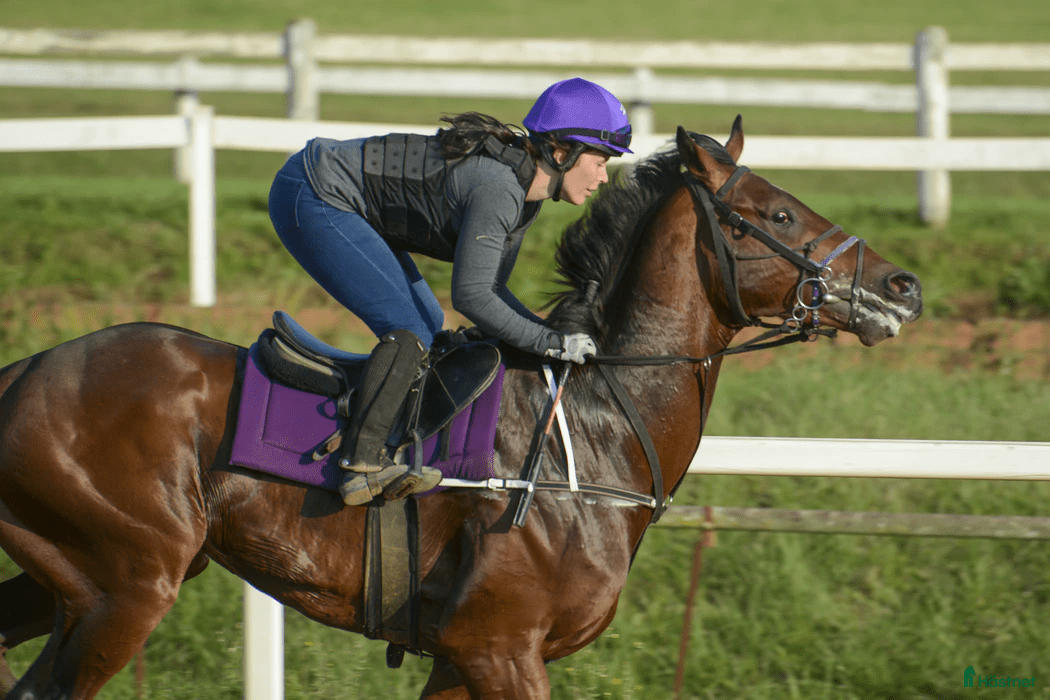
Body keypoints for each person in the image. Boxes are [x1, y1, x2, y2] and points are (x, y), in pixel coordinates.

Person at [268, 77, 633, 506]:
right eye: (601, 161)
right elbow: (473, 299)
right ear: (561, 152)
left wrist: (551, 339)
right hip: (314, 193)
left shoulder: (526, 195)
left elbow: (492, 289)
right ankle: (360, 464)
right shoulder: (500, 189)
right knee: (408, 326)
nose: (604, 177)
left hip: (344, 200)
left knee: (428, 321)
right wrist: (552, 342)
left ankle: (393, 428)